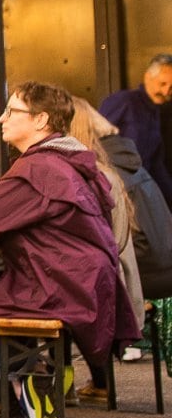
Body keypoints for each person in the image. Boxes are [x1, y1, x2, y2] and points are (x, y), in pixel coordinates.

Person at [0, 83, 137, 418]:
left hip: (58, 289)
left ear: (41, 119)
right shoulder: (69, 159)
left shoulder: (40, 168)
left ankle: (27, 376)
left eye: (12, 111)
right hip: (86, 286)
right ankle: (34, 376)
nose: (2, 117)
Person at [68, 96, 146, 388]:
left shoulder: (84, 177)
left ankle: (40, 384)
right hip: (123, 284)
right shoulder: (109, 169)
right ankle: (97, 383)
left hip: (107, 291)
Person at [101, 54, 172, 209]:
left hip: (139, 193)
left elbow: (156, 165)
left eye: (171, 87)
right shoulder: (124, 101)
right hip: (116, 192)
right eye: (162, 84)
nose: (167, 91)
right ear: (147, 78)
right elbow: (95, 140)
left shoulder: (155, 113)